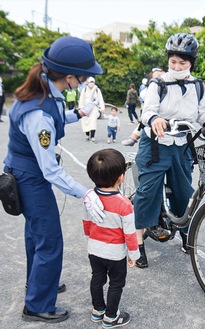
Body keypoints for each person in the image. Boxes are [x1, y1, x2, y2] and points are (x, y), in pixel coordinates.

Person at [3, 36, 106, 323]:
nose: (87, 81)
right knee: (49, 241)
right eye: (84, 77)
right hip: (31, 179)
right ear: (70, 77)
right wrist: (85, 193)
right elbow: (50, 170)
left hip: (24, 173)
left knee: (35, 236)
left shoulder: (44, 93)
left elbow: (57, 115)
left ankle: (38, 283)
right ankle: (37, 305)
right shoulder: (39, 115)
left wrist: (79, 114)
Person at [133, 33, 205, 268]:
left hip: (182, 146)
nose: (177, 67)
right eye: (173, 62)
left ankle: (185, 236)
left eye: (183, 63)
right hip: (156, 146)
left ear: (192, 62)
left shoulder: (198, 86)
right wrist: (155, 119)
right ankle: (138, 243)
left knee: (184, 194)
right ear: (168, 60)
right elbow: (147, 111)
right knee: (147, 193)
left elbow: (202, 114)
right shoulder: (158, 84)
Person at [84, 148, 140, 328]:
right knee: (116, 284)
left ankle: (98, 310)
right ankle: (110, 316)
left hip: (94, 249)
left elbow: (86, 223)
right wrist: (134, 255)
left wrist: (92, 237)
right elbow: (130, 234)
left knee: (97, 279)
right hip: (115, 254)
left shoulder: (90, 199)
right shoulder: (124, 204)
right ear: (121, 177)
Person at [122, 68, 165, 147]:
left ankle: (133, 138)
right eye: (157, 76)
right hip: (153, 113)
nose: (160, 77)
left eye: (162, 74)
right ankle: (133, 138)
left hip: (166, 115)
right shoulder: (149, 90)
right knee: (143, 123)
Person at [79, 76, 105, 143]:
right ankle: (87, 134)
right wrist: (80, 108)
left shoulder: (97, 90)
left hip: (94, 108)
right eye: (90, 82)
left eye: (93, 82)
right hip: (85, 108)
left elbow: (100, 99)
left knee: (93, 122)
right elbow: (81, 99)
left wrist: (102, 108)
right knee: (85, 122)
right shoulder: (84, 90)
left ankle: (92, 136)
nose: (91, 83)